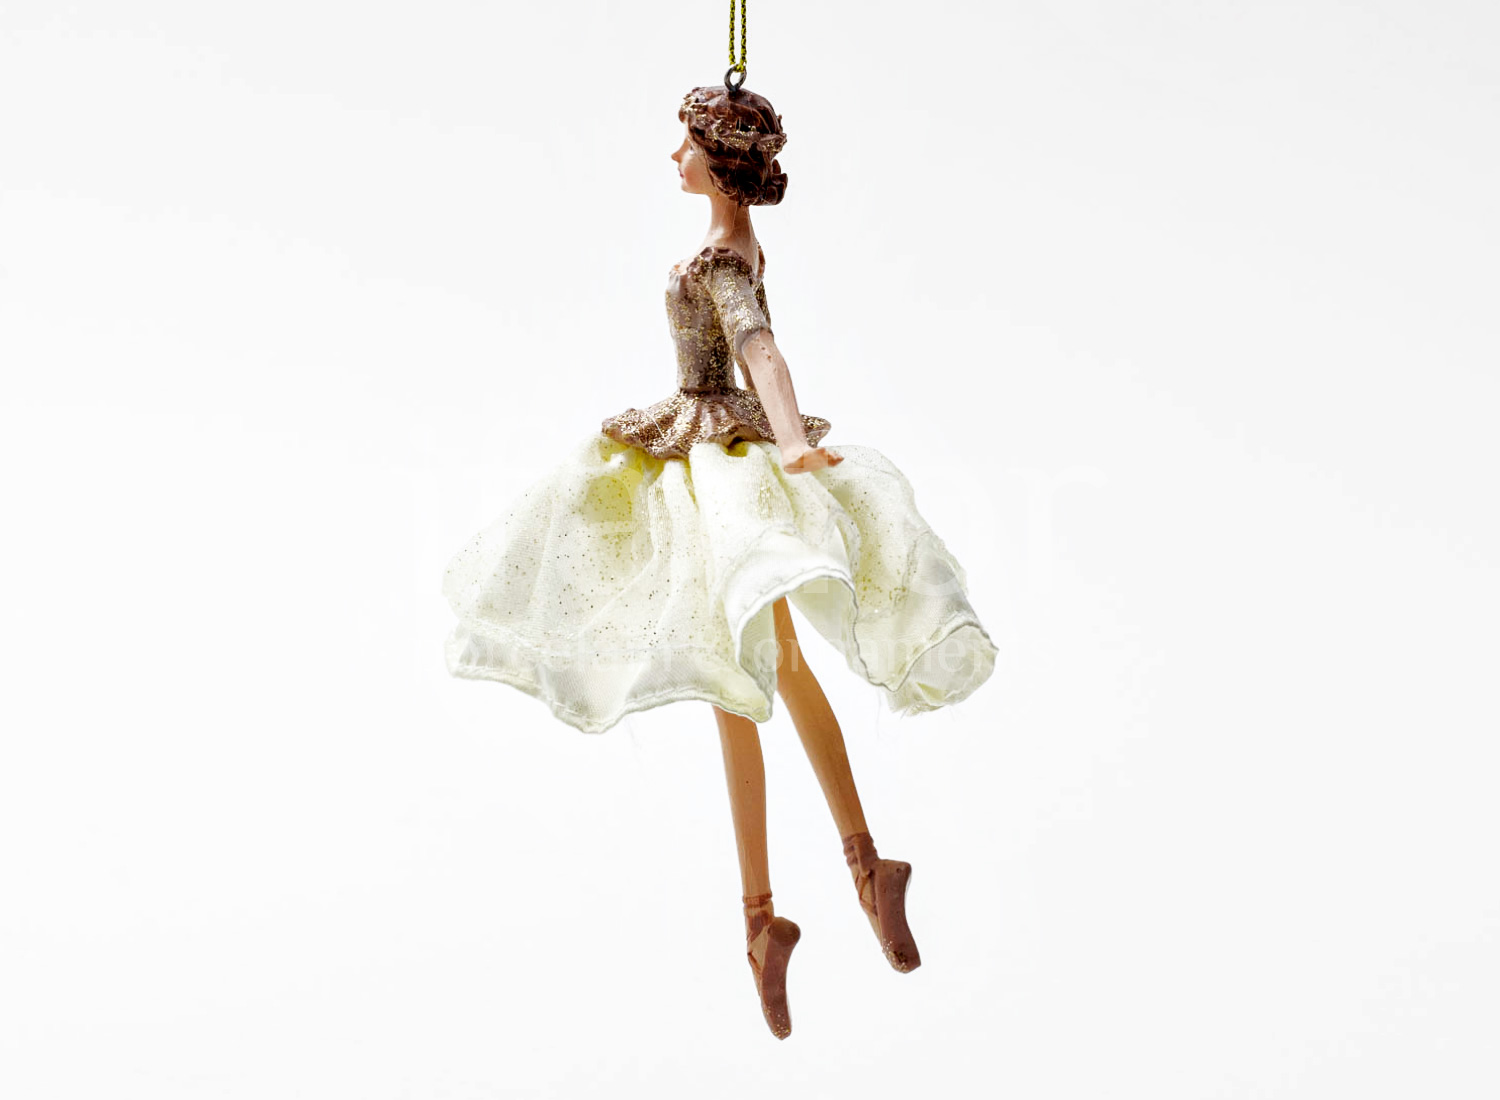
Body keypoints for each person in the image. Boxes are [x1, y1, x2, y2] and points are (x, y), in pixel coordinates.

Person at [442, 84, 998, 1039]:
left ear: (718, 157)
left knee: (745, 674)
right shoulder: (734, 244)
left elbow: (762, 353)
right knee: (761, 672)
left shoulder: (721, 259)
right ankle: (847, 878)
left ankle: (781, 909)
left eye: (686, 145)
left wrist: (794, 442)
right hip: (715, 455)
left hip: (721, 466)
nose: (675, 159)